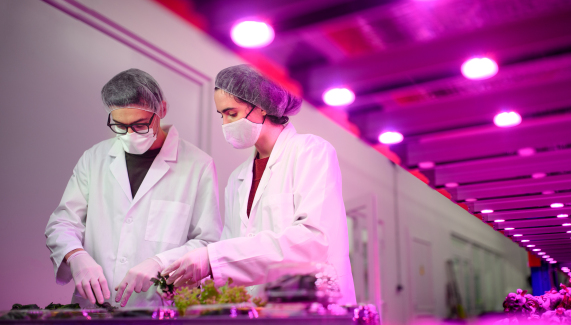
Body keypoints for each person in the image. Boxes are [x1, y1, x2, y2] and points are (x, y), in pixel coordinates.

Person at [163, 64, 356, 304]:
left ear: (262, 106)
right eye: (221, 115)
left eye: (231, 113)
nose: (225, 124)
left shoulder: (311, 152)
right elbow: (232, 249)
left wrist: (213, 259)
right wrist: (201, 277)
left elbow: (313, 240)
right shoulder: (238, 178)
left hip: (313, 307)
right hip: (260, 313)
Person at [45, 68, 222, 308]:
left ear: (162, 110)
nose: (129, 134)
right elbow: (62, 222)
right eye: (120, 125)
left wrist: (159, 262)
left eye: (139, 125)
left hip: (157, 307)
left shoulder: (197, 165)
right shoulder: (94, 158)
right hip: (96, 307)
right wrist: (76, 256)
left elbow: (207, 241)